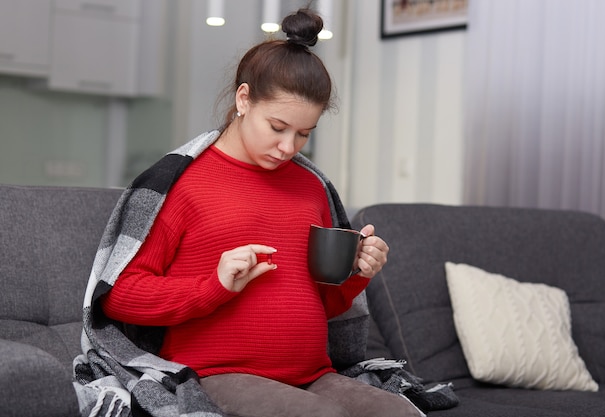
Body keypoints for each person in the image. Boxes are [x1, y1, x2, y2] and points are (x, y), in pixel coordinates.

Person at [95, 7, 421, 417]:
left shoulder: (311, 187)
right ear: (244, 98)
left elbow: (322, 303)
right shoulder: (182, 183)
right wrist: (213, 285)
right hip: (217, 372)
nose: (289, 146)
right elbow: (119, 297)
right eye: (278, 126)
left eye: (304, 134)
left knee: (402, 413)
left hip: (313, 373)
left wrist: (356, 274)